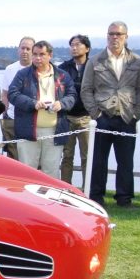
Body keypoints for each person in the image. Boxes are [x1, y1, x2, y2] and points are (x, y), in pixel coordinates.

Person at [81, 21, 140, 207]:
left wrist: (137, 113)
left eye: (119, 34)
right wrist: (96, 114)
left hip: (127, 117)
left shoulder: (136, 61)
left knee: (126, 161)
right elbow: (86, 90)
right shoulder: (95, 60)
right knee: (98, 161)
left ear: (126, 36)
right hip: (103, 117)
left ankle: (124, 198)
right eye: (111, 34)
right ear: (107, 36)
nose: (115, 37)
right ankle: (96, 196)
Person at [8, 41, 76, 179]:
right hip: (28, 130)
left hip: (54, 131)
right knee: (27, 172)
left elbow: (72, 95)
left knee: (51, 172)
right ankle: (26, 199)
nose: (38, 58)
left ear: (50, 55)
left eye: (42, 54)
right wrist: (32, 103)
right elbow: (12, 94)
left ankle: (49, 200)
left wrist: (61, 104)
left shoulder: (62, 76)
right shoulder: (22, 74)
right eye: (35, 54)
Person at [57, 34, 92, 187]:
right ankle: (66, 188)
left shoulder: (93, 66)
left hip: (87, 117)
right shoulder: (63, 68)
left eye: (78, 44)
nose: (74, 47)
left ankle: (87, 188)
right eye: (72, 45)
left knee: (87, 156)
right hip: (67, 117)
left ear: (87, 48)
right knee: (67, 156)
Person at [0, 37, 35, 160]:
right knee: (12, 155)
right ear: (18, 50)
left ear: (33, 51)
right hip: (12, 118)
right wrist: (5, 113)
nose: (25, 51)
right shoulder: (10, 69)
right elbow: (4, 93)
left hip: (32, 119)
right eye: (22, 48)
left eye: (28, 49)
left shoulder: (37, 69)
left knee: (31, 156)